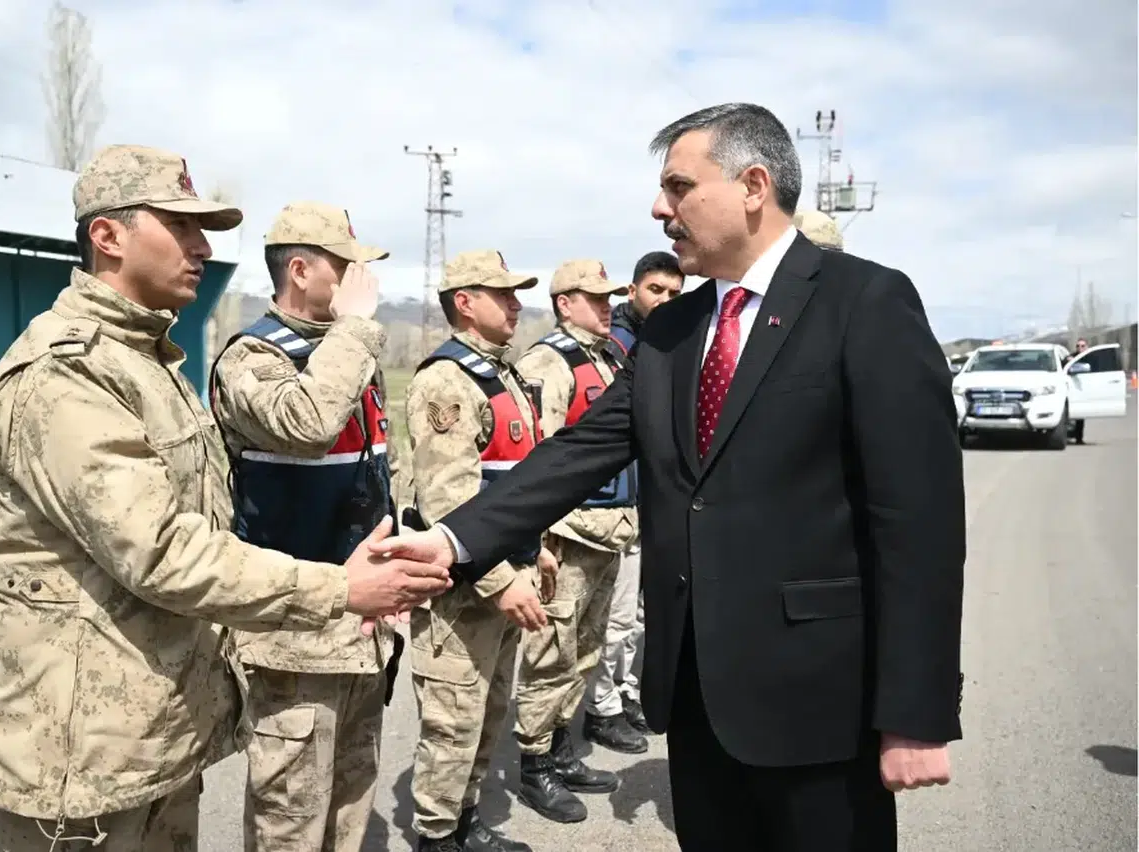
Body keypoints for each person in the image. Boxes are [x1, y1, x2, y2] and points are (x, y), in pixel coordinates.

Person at [373, 103, 966, 852]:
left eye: (679, 187)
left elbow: (918, 522)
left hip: (821, 704)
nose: (660, 208)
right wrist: (454, 541)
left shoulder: (865, 302)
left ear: (753, 186)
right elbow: (578, 452)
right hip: (695, 699)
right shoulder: (674, 331)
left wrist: (914, 709)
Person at [0, 144, 451, 852]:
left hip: (152, 734)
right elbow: (162, 551)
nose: (202, 247)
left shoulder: (146, 362)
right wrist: (340, 589)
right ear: (107, 236)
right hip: (82, 762)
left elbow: (218, 517)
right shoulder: (68, 374)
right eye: (180, 226)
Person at [207, 201, 402, 852]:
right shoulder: (253, 358)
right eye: (347, 267)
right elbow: (307, 424)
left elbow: (379, 475)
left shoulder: (348, 354)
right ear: (299, 270)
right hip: (295, 639)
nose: (361, 283)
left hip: (363, 627)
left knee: (350, 802)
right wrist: (356, 330)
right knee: (291, 821)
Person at [403, 248, 553, 852]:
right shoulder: (447, 380)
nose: (516, 304)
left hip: (503, 576)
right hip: (463, 594)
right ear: (464, 302)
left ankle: (464, 825)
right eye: (503, 293)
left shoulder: (499, 374)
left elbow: (513, 483)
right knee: (452, 724)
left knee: (487, 713)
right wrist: (501, 579)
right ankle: (438, 837)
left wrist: (536, 549)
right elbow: (449, 500)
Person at [504, 258, 639, 824]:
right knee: (550, 652)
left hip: (609, 534)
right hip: (568, 535)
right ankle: (535, 762)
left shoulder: (609, 357)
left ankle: (561, 747)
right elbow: (544, 457)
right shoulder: (548, 363)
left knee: (584, 650)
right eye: (595, 298)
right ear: (564, 303)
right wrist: (537, 539)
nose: (608, 306)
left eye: (610, 298)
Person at [588, 250, 686, 742]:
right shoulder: (616, 347)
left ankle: (625, 691)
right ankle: (602, 706)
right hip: (616, 503)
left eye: (674, 293)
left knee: (638, 616)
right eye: (655, 290)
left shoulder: (670, 340)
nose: (665, 300)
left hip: (652, 501)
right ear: (632, 292)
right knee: (614, 619)